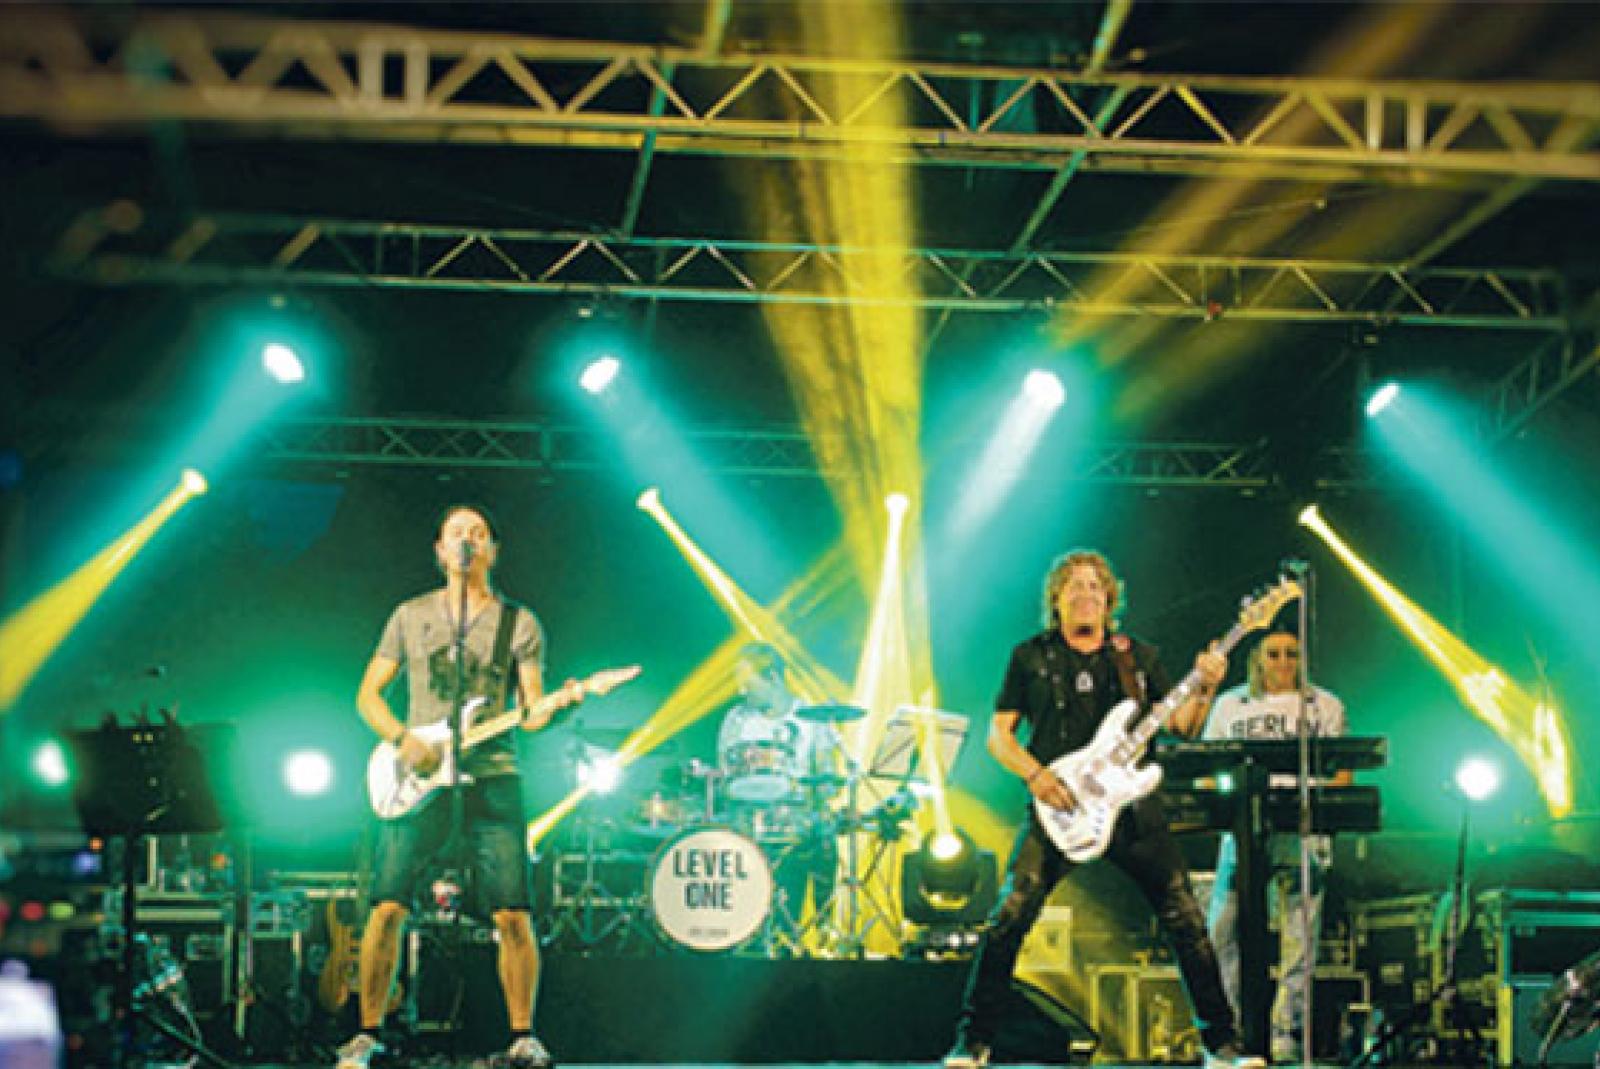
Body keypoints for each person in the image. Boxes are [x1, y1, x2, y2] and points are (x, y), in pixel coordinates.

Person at [945, 550, 1263, 1069]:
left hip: (1132, 812)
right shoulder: (1030, 657)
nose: (1085, 594)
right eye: (1073, 585)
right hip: (1059, 806)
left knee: (1186, 920)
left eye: (1095, 586)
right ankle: (972, 1041)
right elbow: (998, 737)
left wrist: (1206, 686)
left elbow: (1183, 726)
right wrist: (1037, 776)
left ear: (1110, 600)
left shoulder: (1137, 658)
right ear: (1056, 599)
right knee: (1009, 917)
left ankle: (1221, 1045)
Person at [336, 504, 585, 1069]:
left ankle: (523, 1036)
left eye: (478, 534)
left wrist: (563, 704)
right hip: (419, 774)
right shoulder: (409, 616)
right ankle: (367, 1034)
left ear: (492, 550)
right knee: (387, 905)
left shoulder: (519, 623)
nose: (467, 541)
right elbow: (367, 696)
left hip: (493, 775)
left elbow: (531, 712)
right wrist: (403, 739)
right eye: (457, 534)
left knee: (512, 911)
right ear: (440, 550)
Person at [1201, 628, 1349, 1064]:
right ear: (1257, 659)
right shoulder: (1230, 705)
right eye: (1274, 654)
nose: (1283, 662)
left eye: (1291, 653)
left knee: (1300, 938)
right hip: (1242, 830)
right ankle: (1226, 1036)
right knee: (1221, 931)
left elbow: (1344, 771)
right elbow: (1206, 765)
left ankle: (1288, 1031)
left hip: (1301, 830)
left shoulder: (1325, 705)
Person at [717, 642, 839, 936]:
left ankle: (825, 930)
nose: (742, 692)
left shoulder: (811, 719)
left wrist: (817, 793)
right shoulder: (737, 721)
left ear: (772, 676)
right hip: (749, 824)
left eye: (748, 684)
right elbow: (724, 779)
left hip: (800, 821)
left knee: (827, 837)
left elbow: (829, 780)